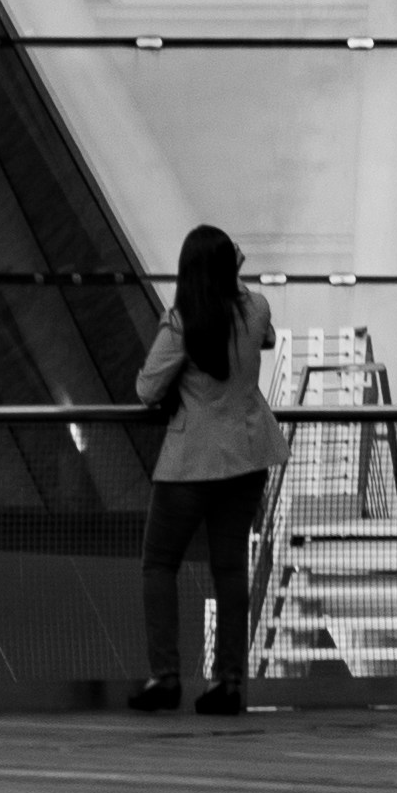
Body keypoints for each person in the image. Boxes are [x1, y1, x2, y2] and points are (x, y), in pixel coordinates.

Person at [131, 225, 278, 717]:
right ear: (230, 265)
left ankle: (165, 676)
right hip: (247, 456)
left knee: (159, 564)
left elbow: (147, 389)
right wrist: (234, 276)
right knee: (230, 567)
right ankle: (229, 681)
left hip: (189, 463)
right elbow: (268, 339)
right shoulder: (255, 309)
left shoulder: (180, 323)